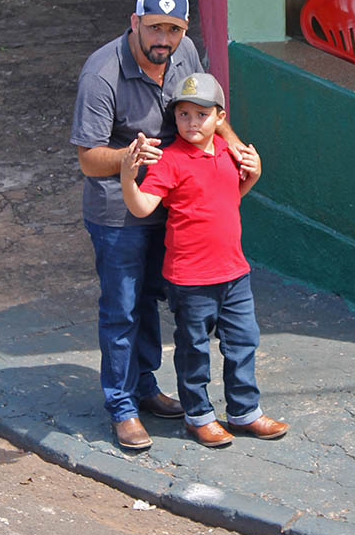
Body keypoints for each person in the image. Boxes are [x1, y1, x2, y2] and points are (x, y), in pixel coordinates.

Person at [71, 0, 244, 452]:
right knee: (122, 308)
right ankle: (122, 406)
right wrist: (130, 158)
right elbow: (88, 159)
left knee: (150, 299)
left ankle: (145, 387)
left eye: (174, 29)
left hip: (173, 203)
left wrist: (234, 144)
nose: (164, 39)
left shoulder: (183, 52)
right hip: (118, 211)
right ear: (135, 23)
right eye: (154, 28)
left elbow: (206, 107)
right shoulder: (102, 74)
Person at [120, 72, 288, 448]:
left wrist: (255, 175)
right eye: (184, 115)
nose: (192, 123)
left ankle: (245, 412)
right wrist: (128, 179)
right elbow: (142, 206)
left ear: (220, 117)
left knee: (243, 342)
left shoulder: (228, 152)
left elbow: (230, 196)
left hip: (234, 273)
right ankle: (198, 416)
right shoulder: (169, 161)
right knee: (193, 349)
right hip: (190, 278)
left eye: (202, 114)